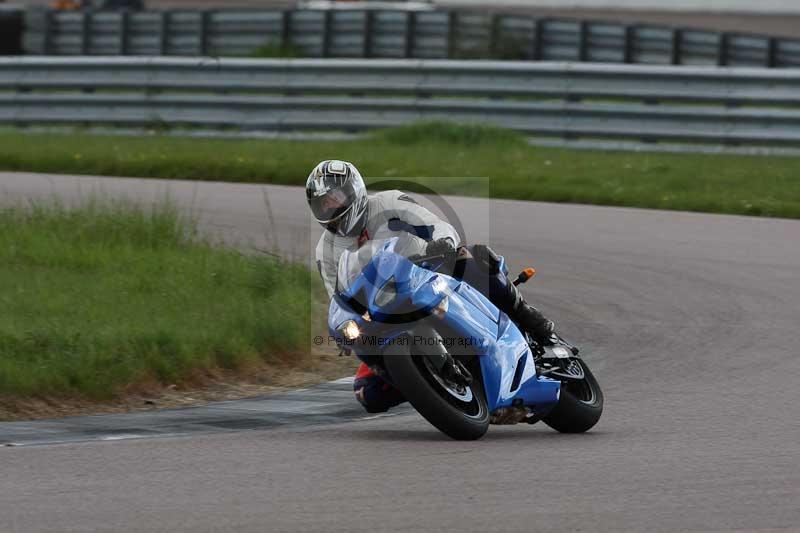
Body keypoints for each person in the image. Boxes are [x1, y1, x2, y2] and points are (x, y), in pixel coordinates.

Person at [307, 160, 556, 413]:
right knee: (367, 392)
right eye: (323, 204)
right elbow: (339, 298)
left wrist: (443, 242)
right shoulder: (325, 250)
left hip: (428, 271)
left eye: (335, 198)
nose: (331, 207)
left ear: (354, 190)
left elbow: (434, 224)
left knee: (472, 257)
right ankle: (434, 389)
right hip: (383, 311)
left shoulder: (388, 202)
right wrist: (346, 327)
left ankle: (525, 314)